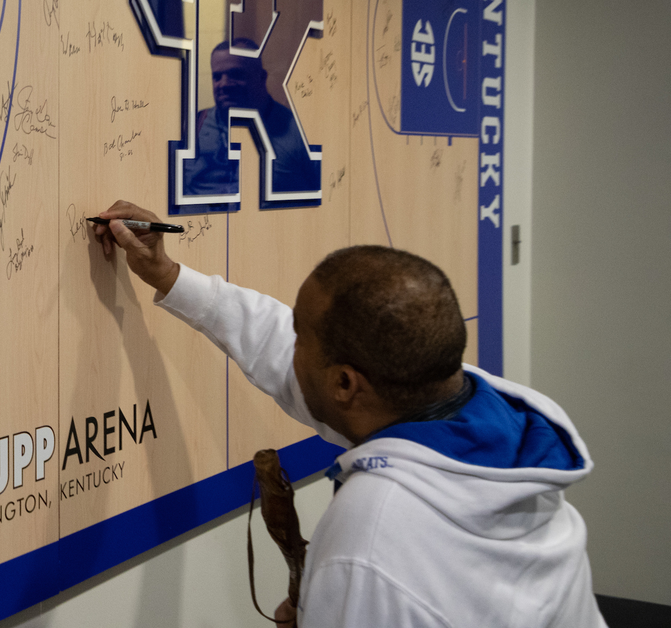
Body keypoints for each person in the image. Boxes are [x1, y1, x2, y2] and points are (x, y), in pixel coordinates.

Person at [92, 200, 606, 628]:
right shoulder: (485, 427)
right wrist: (169, 276)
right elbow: (276, 344)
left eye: (302, 335)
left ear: (344, 383)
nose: (289, 345)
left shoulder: (371, 540)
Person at [183, 40, 318, 197]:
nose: (224, 84)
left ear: (262, 77)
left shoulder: (300, 131)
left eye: (236, 74)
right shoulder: (194, 126)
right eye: (217, 77)